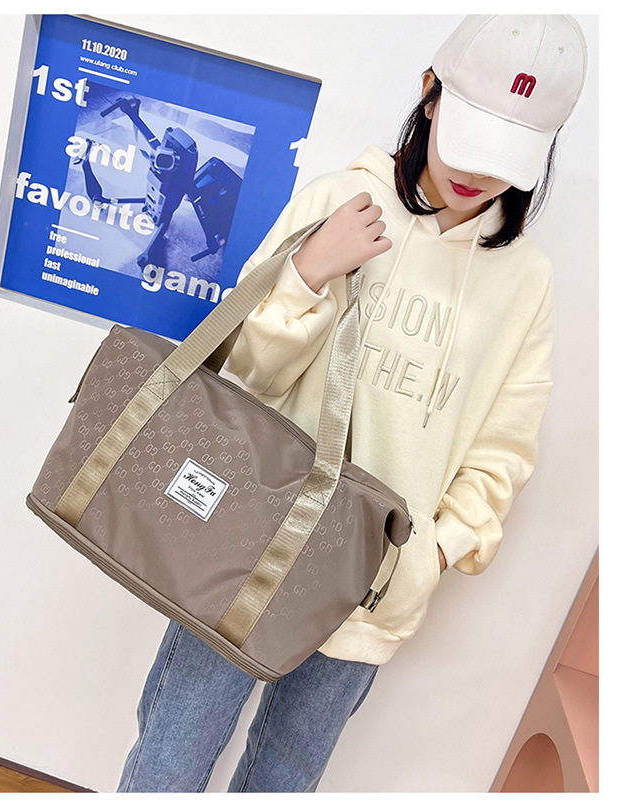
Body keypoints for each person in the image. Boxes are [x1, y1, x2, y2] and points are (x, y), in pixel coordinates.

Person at [116, 15, 588, 793]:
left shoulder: (526, 281)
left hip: (373, 584)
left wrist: (430, 554)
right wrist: (308, 271)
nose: (480, 174)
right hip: (245, 548)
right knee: (170, 758)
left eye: (507, 156)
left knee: (285, 777)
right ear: (430, 93)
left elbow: (504, 449)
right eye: (471, 139)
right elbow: (249, 375)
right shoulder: (339, 198)